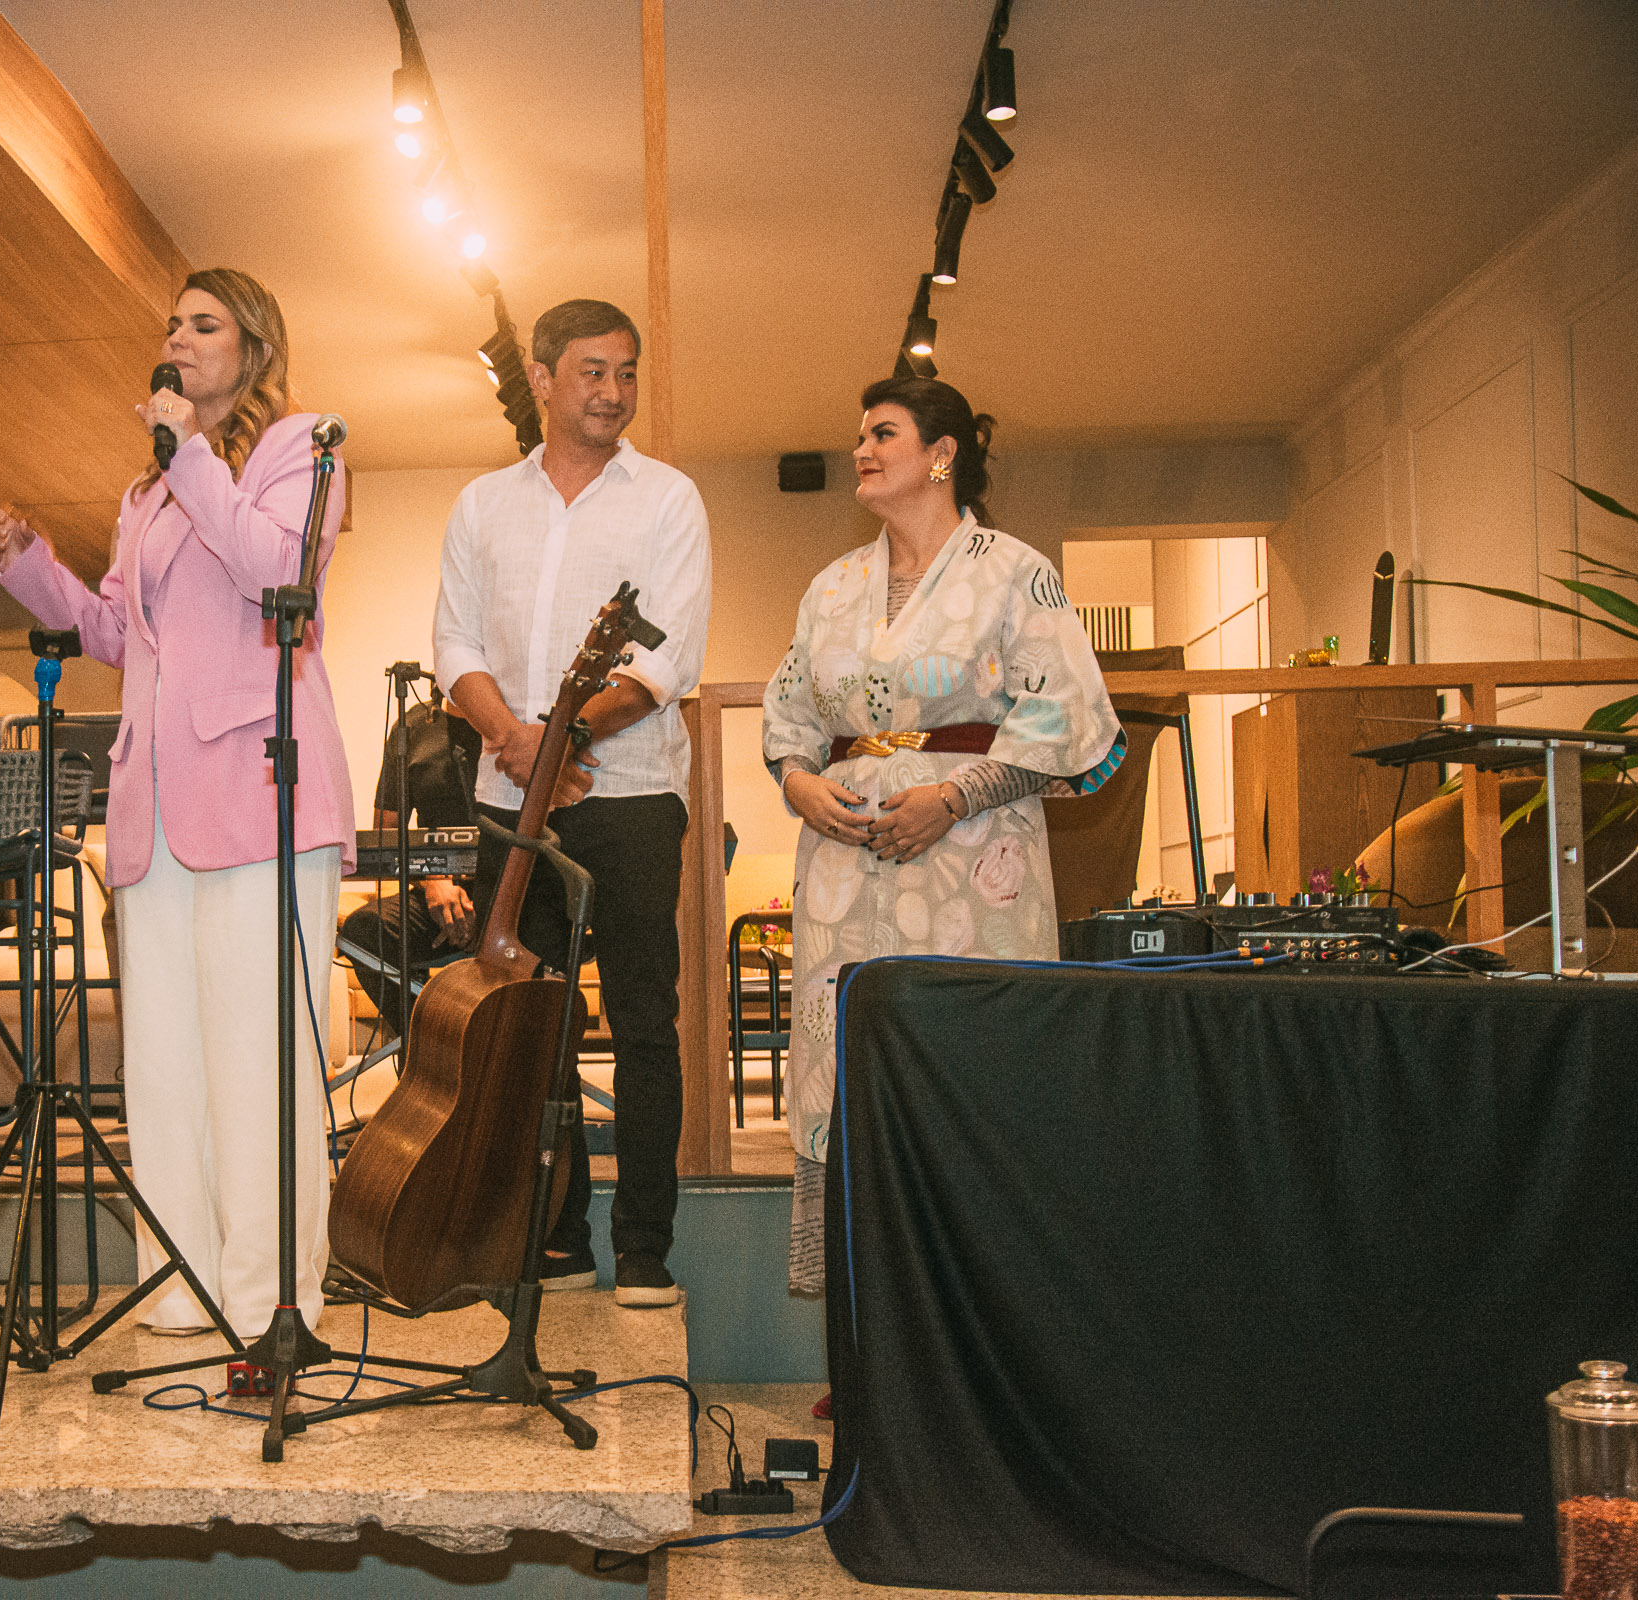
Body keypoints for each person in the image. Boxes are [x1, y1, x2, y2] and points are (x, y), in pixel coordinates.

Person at [0, 268, 354, 1351]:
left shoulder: (300, 448)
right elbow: (115, 632)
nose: (178, 339)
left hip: (258, 790)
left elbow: (276, 570)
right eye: (172, 325)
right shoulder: (146, 492)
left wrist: (189, 455)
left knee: (257, 1056)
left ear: (254, 345)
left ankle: (270, 1298)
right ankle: (182, 1287)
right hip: (151, 801)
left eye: (204, 324)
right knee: (164, 1064)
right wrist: (32, 570)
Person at [762, 375, 1124, 1297]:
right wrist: (801, 784)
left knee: (973, 1059)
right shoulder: (831, 587)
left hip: (973, 863)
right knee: (842, 1060)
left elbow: (1066, 713)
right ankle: (859, 1322)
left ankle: (977, 1318)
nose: (861, 449)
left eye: (883, 433)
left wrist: (955, 798)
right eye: (860, 435)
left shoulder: (1015, 571)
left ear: (942, 453)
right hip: (842, 870)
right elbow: (790, 716)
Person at [432, 298, 711, 1310]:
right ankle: (554, 1239)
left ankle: (642, 1248)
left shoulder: (669, 499)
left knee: (642, 1020)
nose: (613, 391)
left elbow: (665, 661)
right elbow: (454, 646)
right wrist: (521, 745)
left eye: (627, 373)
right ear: (543, 379)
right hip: (508, 798)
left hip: (632, 796)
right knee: (526, 1021)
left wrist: (560, 742)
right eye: (593, 371)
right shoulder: (481, 505)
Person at [336, 697, 482, 1024]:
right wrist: (434, 879)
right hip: (438, 892)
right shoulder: (412, 725)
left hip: (519, 890)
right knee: (364, 931)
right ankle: (430, 1038)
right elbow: (386, 834)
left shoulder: (521, 715)